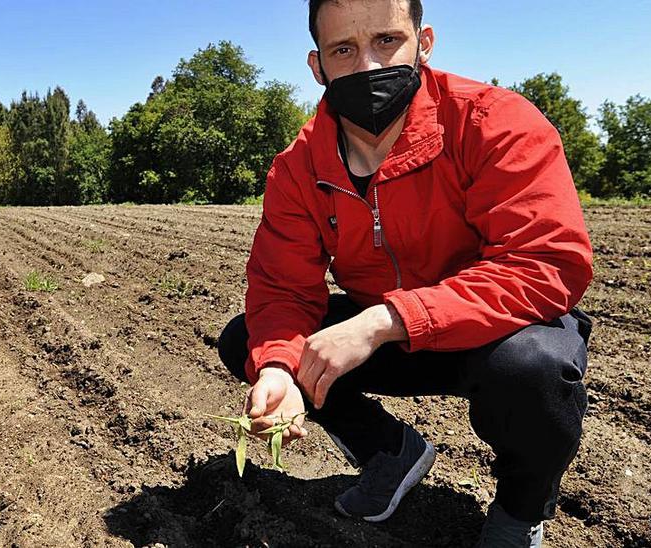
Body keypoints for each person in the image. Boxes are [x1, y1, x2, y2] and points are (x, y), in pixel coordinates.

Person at [215, 1, 594, 546]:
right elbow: (282, 287)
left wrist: (384, 320)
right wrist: (278, 369)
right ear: (317, 66)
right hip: (387, 334)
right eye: (343, 49)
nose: (367, 66)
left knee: (535, 369)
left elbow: (544, 261)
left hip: (488, 331)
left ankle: (518, 511)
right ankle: (389, 453)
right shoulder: (300, 166)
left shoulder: (493, 122)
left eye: (387, 40)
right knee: (249, 339)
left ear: (425, 42)